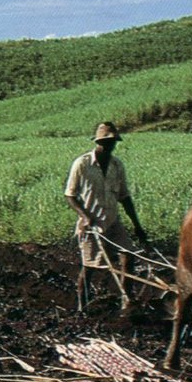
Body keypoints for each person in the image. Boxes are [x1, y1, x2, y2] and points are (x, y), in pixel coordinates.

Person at [65, 122, 148, 312]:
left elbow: (124, 197)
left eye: (113, 143)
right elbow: (70, 195)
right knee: (90, 266)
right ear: (98, 142)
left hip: (113, 221)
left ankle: (126, 300)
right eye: (107, 142)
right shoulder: (82, 164)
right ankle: (81, 306)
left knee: (129, 255)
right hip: (91, 223)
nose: (110, 146)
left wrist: (137, 226)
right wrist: (85, 217)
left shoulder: (117, 165)